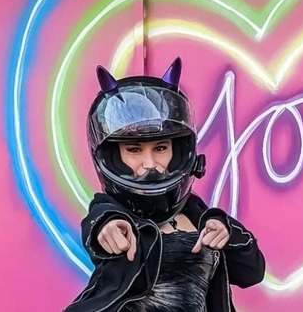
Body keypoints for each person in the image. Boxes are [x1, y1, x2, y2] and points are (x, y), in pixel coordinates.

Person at [64, 57, 266, 312]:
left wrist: (226, 233)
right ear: (114, 155)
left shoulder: (199, 214)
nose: (150, 163)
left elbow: (252, 273)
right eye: (134, 149)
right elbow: (100, 224)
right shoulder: (108, 213)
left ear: (178, 150)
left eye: (160, 148)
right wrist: (109, 229)